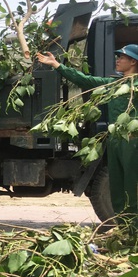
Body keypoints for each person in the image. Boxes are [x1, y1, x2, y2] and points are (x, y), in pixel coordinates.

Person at [37, 46, 138, 229]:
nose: (117, 60)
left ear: (133, 62)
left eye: (122, 57)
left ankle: (134, 230)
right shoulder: (112, 84)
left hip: (132, 141)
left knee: (132, 186)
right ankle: (123, 229)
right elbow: (84, 79)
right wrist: (57, 65)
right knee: (116, 186)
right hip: (114, 139)